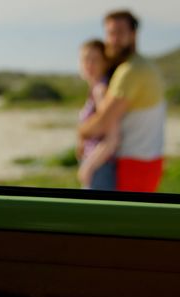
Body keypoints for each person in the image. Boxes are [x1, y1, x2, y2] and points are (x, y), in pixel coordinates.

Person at [79, 10, 166, 192]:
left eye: (119, 32)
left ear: (133, 34)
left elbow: (103, 124)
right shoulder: (146, 65)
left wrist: (81, 132)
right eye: (110, 33)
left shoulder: (129, 71)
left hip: (133, 163)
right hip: (148, 160)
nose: (114, 39)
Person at [77, 39, 119, 190]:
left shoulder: (101, 90)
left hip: (101, 166)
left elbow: (112, 138)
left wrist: (88, 165)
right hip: (97, 164)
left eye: (94, 59)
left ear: (105, 62)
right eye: (85, 59)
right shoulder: (94, 89)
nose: (89, 64)